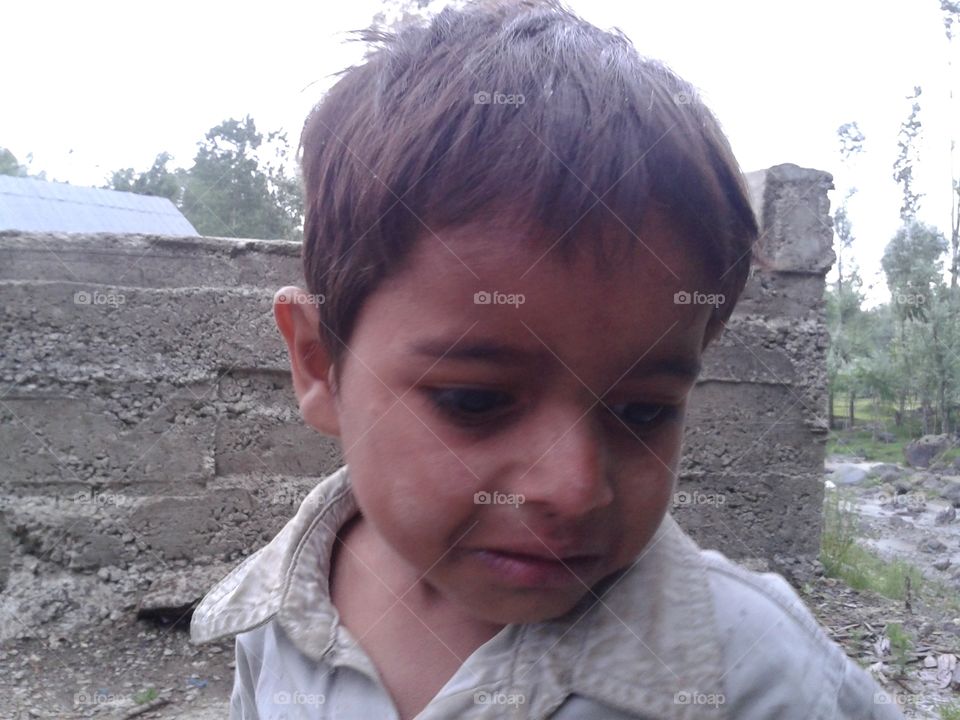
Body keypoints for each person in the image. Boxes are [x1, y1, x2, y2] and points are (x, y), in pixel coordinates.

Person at [190, 1, 905, 718]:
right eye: (474, 401)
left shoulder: (753, 669)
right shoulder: (277, 617)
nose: (575, 488)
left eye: (642, 411)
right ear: (319, 364)